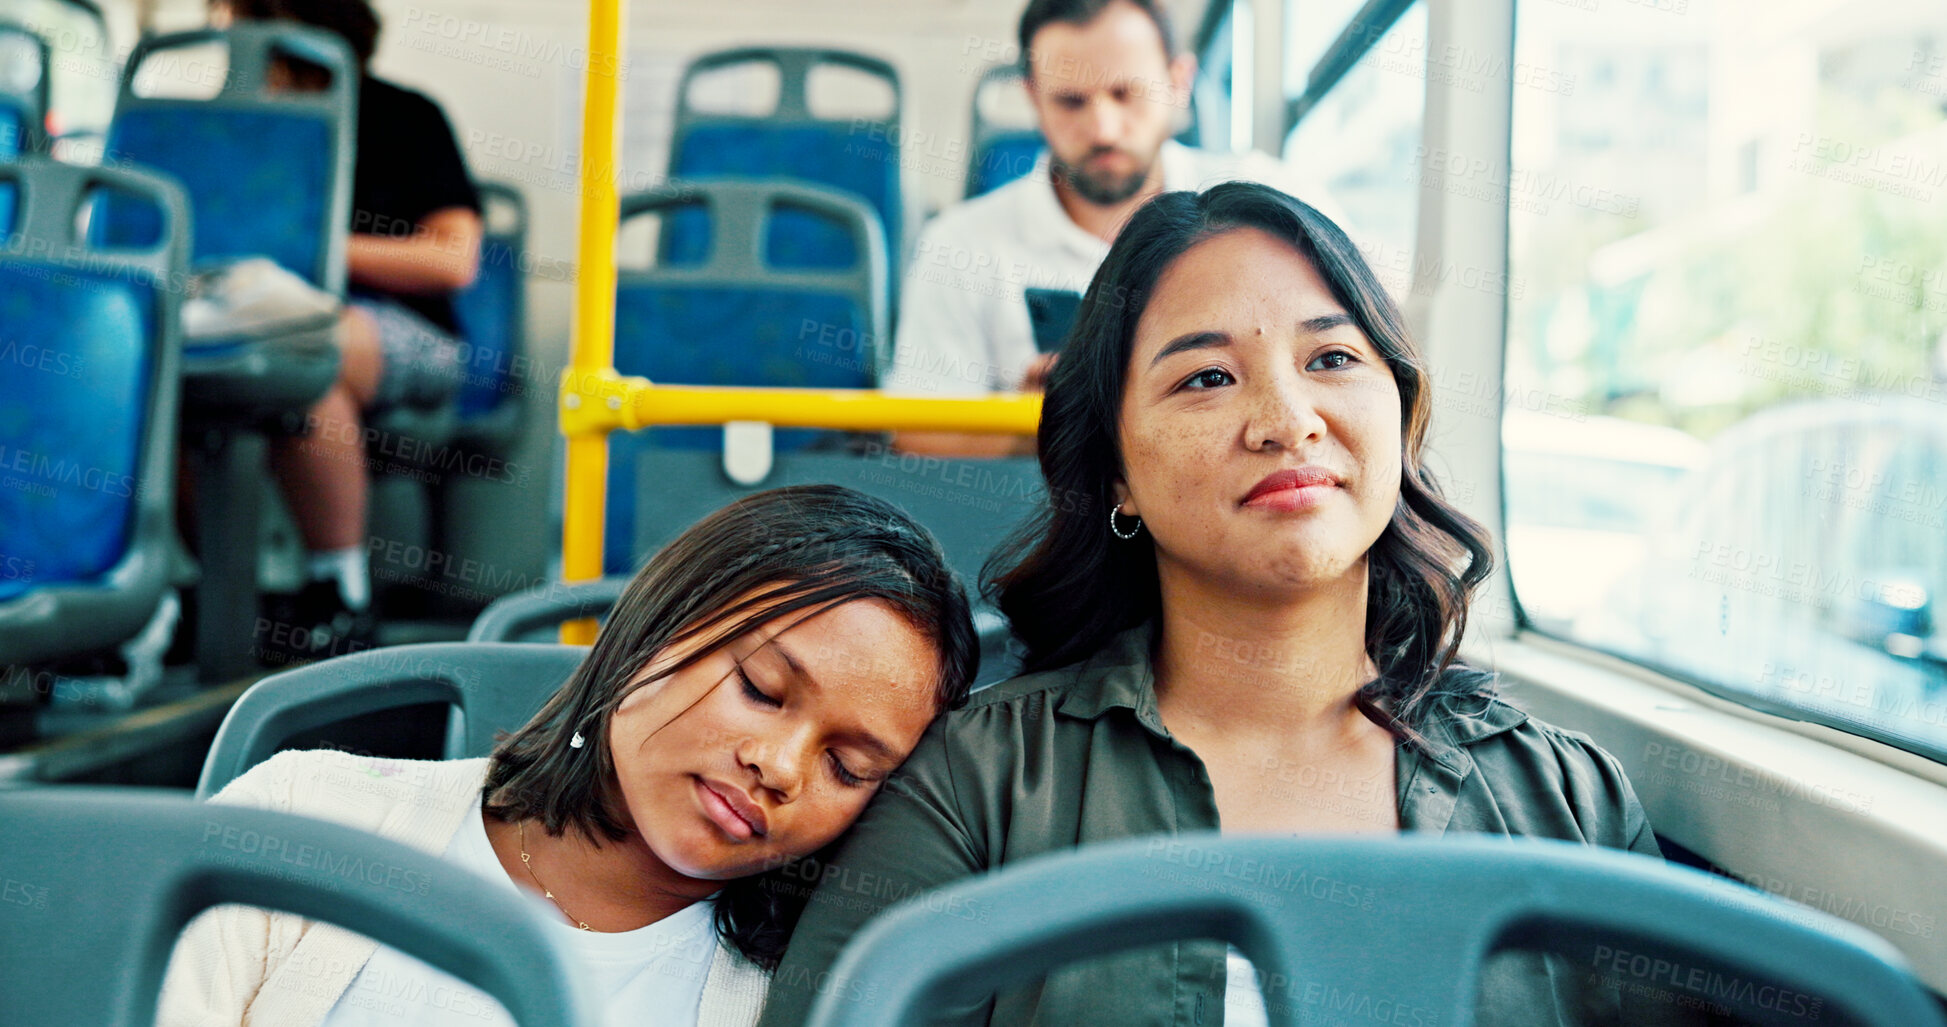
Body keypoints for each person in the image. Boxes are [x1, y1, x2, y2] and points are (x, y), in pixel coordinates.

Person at [756, 184, 1671, 1026]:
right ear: (1115, 472)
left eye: (1333, 357)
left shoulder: (1562, 798)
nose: (1287, 418)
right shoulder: (981, 786)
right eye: (1205, 377)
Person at [158, 484, 981, 1027]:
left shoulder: (801, 994)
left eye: (848, 767)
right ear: (656, 626)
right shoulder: (304, 818)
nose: (781, 766)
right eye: (762, 689)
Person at [888, 0, 1341, 458]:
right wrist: (1034, 421)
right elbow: (916, 434)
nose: (1102, 129)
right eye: (1070, 101)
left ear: (1178, 82)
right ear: (1032, 99)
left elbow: (1369, 355)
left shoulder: (1279, 200)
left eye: (1126, 93)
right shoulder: (958, 243)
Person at [212, 0, 484, 653]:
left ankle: (337, 590)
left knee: (309, 352)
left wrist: (317, 249)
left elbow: (452, 258)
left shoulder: (404, 117)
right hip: (248, 321)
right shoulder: (229, 127)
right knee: (173, 376)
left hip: (400, 331)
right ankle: (210, 595)